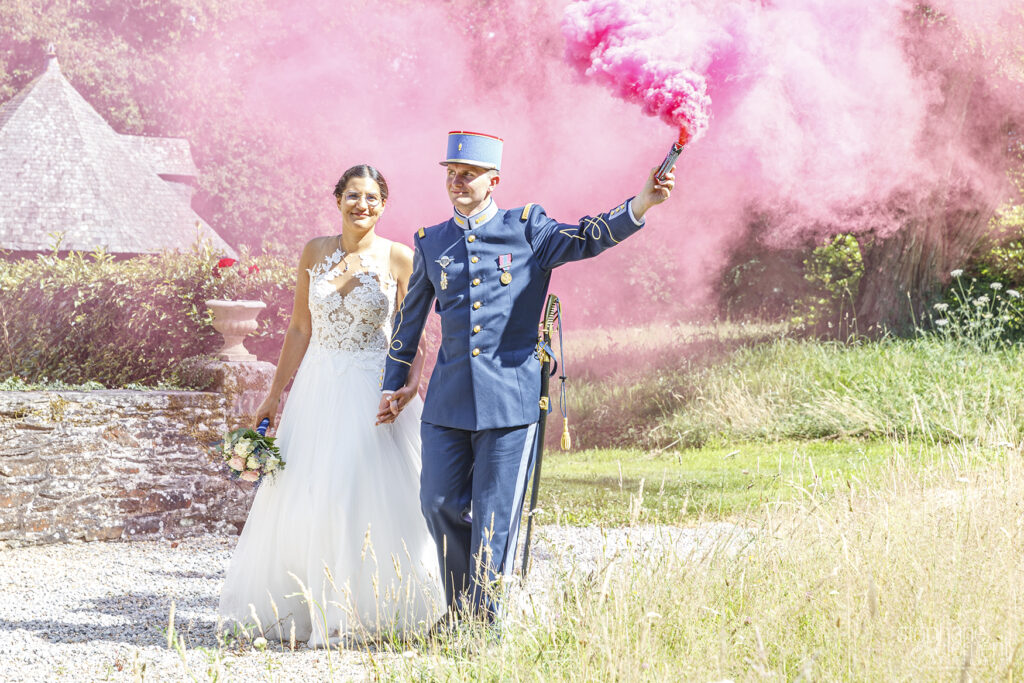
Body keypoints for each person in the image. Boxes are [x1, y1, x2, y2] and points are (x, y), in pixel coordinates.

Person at [377, 131, 675, 622]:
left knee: (494, 518)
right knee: (438, 503)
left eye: (468, 173)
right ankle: (461, 612)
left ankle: (481, 623)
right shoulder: (432, 241)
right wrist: (393, 382)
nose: (457, 180)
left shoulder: (527, 227)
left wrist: (641, 202)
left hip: (510, 399)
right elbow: (408, 320)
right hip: (447, 402)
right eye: (451, 172)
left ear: (493, 180)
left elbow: (587, 237)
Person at [219, 164, 443, 646]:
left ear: (384, 205)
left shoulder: (400, 258)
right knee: (306, 492)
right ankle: (307, 605)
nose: (362, 205)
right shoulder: (314, 252)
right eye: (353, 195)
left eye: (372, 198)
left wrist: (410, 387)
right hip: (317, 388)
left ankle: (359, 611)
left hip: (372, 389)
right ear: (338, 198)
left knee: (352, 488)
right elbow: (300, 329)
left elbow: (419, 338)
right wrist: (275, 392)